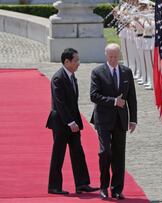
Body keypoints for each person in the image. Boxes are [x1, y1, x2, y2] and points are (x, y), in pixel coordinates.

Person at [46, 48, 99, 195]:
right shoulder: (58, 78)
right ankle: (54, 186)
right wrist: (70, 122)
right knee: (58, 154)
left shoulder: (72, 76)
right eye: (76, 60)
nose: (78, 63)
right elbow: (60, 103)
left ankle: (82, 183)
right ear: (67, 61)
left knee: (78, 152)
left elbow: (73, 103)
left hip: (73, 122)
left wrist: (76, 121)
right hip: (61, 123)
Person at [90, 43, 137, 200]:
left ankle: (117, 189)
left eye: (116, 56)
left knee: (118, 155)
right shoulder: (97, 72)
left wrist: (133, 119)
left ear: (120, 55)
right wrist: (113, 101)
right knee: (105, 152)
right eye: (110, 57)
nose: (113, 59)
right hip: (103, 118)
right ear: (106, 56)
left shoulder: (126, 72)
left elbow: (131, 97)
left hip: (120, 120)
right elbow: (94, 95)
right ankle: (103, 186)